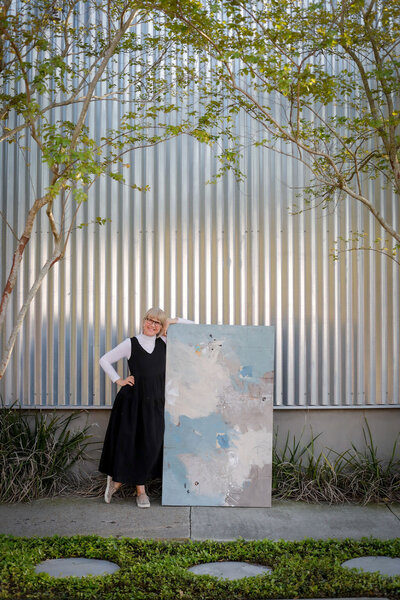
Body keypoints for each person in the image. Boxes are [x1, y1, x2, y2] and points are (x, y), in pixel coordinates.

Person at [99, 307, 189, 508]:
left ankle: (118, 481)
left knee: (151, 445)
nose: (152, 325)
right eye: (149, 320)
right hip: (132, 402)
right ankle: (141, 492)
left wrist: (170, 322)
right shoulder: (131, 344)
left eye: (157, 322)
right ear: (143, 321)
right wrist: (118, 380)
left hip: (156, 403)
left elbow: (192, 325)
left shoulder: (164, 342)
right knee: (132, 444)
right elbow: (104, 360)